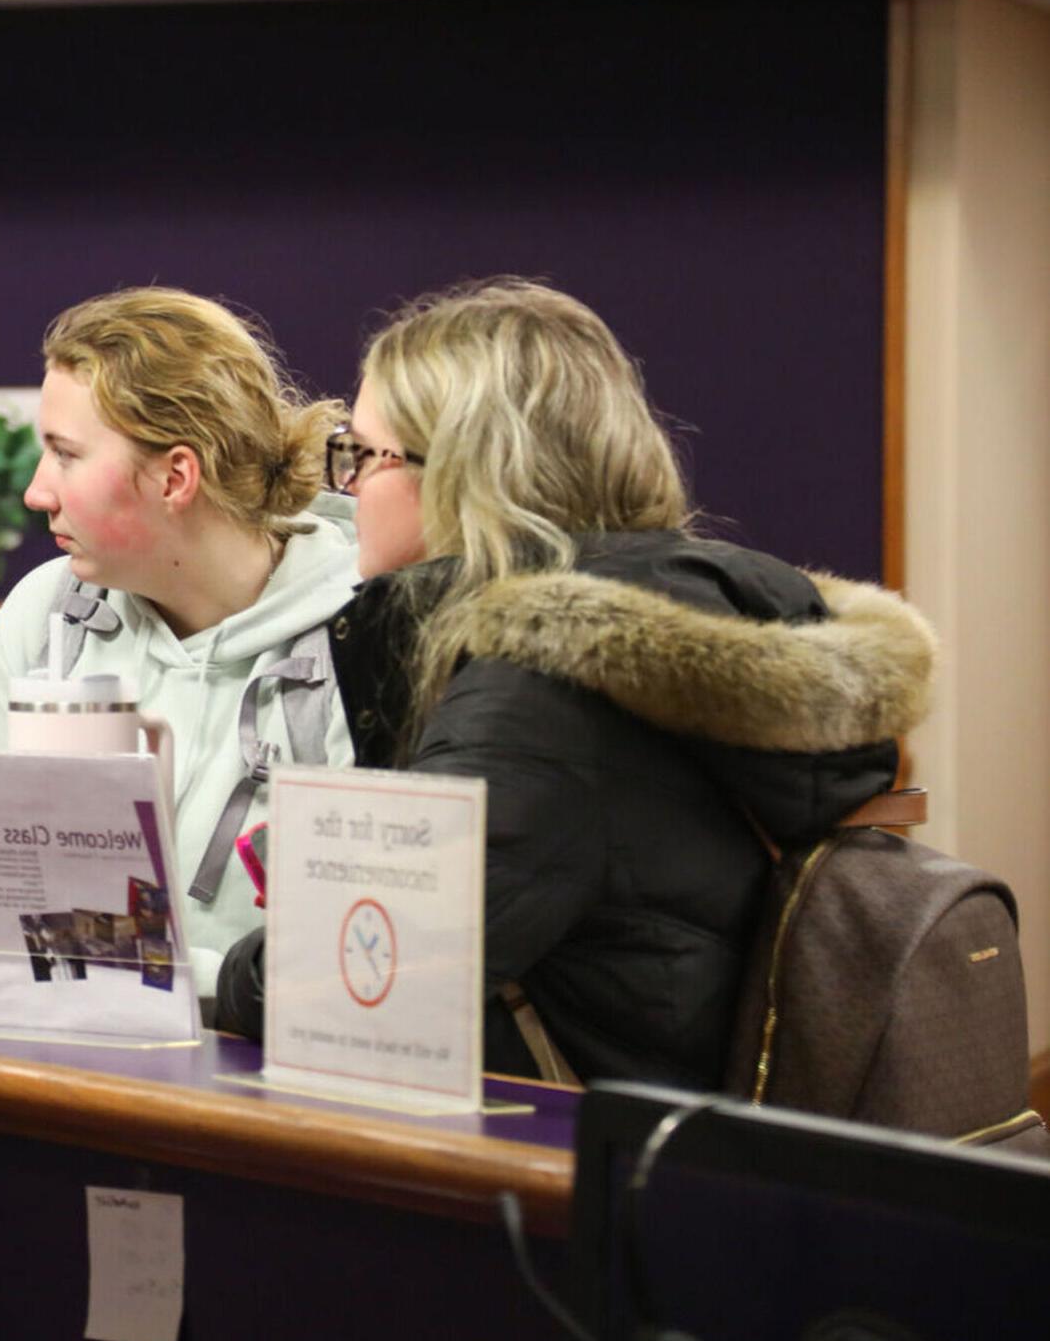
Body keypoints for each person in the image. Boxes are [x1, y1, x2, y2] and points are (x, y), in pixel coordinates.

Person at [282, 278, 932, 1087]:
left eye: (361, 455)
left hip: (580, 1176)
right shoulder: (662, 633)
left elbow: (360, 981)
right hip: (692, 1148)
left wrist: (210, 975)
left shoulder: (536, 693)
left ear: (461, 477)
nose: (343, 488)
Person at [0, 287, 363, 1007]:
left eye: (65, 455)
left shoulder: (361, 635)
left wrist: (164, 974)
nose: (37, 492)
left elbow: (372, 975)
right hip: (56, 1080)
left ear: (176, 477)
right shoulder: (49, 612)